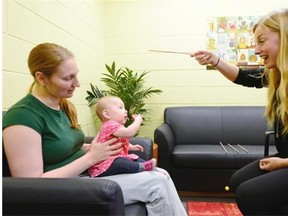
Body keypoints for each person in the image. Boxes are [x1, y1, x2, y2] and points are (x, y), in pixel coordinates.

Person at [2, 42, 187, 216]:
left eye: (76, 75)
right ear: (41, 78)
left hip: (87, 172)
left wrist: (88, 148)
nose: (77, 83)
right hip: (65, 187)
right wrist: (91, 157)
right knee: (156, 184)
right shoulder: (23, 116)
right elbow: (29, 186)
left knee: (161, 173)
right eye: (68, 78)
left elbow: (57, 146)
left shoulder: (62, 106)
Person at [191, 9, 288, 215]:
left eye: (262, 41)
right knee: (238, 181)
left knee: (249, 194)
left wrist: (283, 163)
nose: (256, 49)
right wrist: (215, 60)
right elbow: (244, 77)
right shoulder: (278, 78)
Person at [88, 95, 156, 177]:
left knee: (135, 158)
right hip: (104, 165)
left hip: (118, 158)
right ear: (107, 114)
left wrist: (131, 147)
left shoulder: (116, 126)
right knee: (119, 162)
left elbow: (120, 141)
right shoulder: (109, 125)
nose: (126, 111)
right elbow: (129, 132)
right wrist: (138, 121)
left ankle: (151, 169)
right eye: (120, 108)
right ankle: (142, 167)